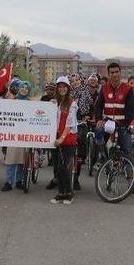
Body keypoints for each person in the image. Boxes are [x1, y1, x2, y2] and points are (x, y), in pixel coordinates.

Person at [93, 62, 134, 195]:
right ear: (109, 74)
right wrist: (99, 119)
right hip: (108, 123)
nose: (114, 74)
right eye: (112, 72)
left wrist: (124, 124)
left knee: (127, 150)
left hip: (122, 124)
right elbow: (98, 106)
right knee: (97, 132)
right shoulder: (104, 87)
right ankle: (103, 158)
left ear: (120, 72)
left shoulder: (127, 89)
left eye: (117, 72)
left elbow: (131, 110)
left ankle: (132, 183)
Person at [51, 76, 79, 204]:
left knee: (64, 166)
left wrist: (62, 138)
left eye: (64, 87)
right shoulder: (57, 102)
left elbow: (70, 123)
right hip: (57, 138)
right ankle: (61, 193)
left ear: (68, 88)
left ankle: (69, 194)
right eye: (60, 87)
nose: (62, 89)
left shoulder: (72, 103)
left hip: (68, 139)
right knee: (58, 167)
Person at [3, 81, 31, 191]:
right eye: (22, 87)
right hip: (13, 134)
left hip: (24, 134)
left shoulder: (30, 103)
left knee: (21, 160)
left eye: (26, 88)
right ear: (19, 89)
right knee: (11, 159)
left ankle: (19, 181)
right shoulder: (12, 101)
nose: (24, 89)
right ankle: (9, 182)